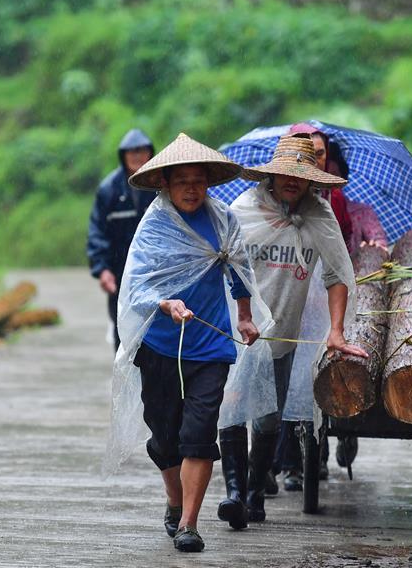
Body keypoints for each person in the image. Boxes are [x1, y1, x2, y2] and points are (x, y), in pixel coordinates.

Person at [112, 133, 263, 553]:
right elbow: (136, 286)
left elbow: (240, 269)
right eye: (182, 182)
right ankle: (174, 499)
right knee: (165, 438)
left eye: (199, 181)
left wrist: (245, 316)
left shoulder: (223, 220)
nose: (192, 189)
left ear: (209, 183)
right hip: (160, 346)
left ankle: (189, 525)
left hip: (210, 347)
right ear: (166, 184)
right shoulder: (155, 226)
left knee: (198, 434)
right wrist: (164, 303)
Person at [216, 133, 367, 530]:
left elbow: (336, 274)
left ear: (311, 180)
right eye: (285, 174)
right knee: (231, 409)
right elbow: (223, 264)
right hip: (238, 331)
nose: (292, 181)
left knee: (268, 419)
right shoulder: (243, 210)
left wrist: (336, 330)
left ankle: (254, 491)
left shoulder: (319, 215)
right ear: (272, 175)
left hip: (284, 333)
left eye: (300, 176)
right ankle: (235, 494)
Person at [87, 129, 156, 351]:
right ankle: (124, 369)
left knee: (155, 325)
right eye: (131, 152)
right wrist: (102, 269)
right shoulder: (109, 189)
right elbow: (97, 231)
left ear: (150, 152)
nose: (137, 156)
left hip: (155, 270)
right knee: (123, 324)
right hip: (120, 270)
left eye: (141, 151)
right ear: (123, 155)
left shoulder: (159, 184)